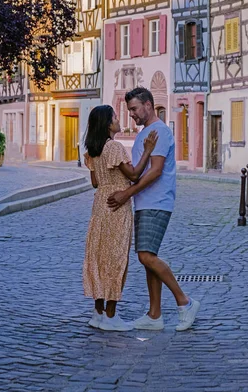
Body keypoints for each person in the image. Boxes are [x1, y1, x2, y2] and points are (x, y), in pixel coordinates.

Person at [107, 88, 200, 331]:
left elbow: (156, 170)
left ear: (148, 105)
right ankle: (154, 314)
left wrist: (126, 193)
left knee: (146, 256)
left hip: (156, 201)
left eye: (135, 109)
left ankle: (185, 302)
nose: (132, 115)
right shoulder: (146, 134)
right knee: (148, 256)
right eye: (129, 111)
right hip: (145, 201)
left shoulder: (159, 131)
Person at [83, 105, 158, 332]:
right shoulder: (114, 147)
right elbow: (134, 174)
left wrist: (108, 180)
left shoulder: (92, 150)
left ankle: (97, 313)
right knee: (115, 257)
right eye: (115, 116)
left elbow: (95, 182)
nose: (118, 119)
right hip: (117, 204)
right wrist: (148, 150)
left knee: (98, 255)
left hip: (100, 203)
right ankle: (111, 316)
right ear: (108, 123)